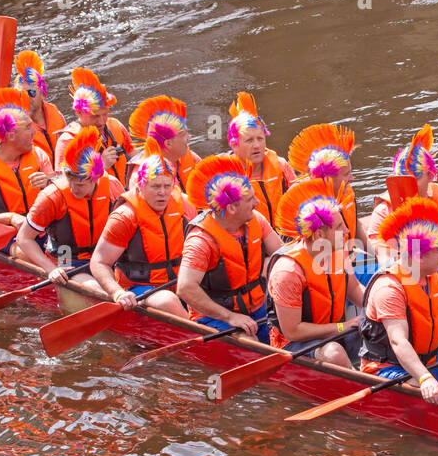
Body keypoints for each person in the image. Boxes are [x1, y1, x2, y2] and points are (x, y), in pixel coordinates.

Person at [365, 125, 438, 321]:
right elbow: (386, 262)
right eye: (403, 177)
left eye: (416, 177)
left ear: (431, 175)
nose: (408, 183)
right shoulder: (384, 211)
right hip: (411, 297)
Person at [359, 196, 438, 402]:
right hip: (388, 369)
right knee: (418, 385)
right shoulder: (389, 288)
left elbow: (436, 318)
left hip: (428, 358)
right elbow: (398, 341)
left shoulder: (430, 276)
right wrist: (424, 377)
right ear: (420, 256)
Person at [178, 154, 284, 343]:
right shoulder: (201, 240)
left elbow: (282, 257)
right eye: (251, 199)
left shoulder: (257, 220)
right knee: (251, 344)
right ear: (233, 208)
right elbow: (185, 288)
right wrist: (230, 317)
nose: (257, 203)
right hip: (216, 318)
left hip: (258, 308)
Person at [267, 179, 365, 367]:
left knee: (386, 329)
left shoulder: (337, 252)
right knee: (334, 353)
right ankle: (362, 383)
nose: (346, 230)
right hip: (295, 343)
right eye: (339, 227)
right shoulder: (288, 271)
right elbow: (292, 331)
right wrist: (340, 327)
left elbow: (354, 289)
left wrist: (380, 307)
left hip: (335, 330)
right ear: (319, 235)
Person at [14, 127, 120, 297]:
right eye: (69, 179)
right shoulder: (52, 196)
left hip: (103, 256)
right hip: (67, 258)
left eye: (79, 184)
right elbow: (23, 238)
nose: (72, 188)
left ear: (96, 178)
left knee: (119, 286)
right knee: (97, 290)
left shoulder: (112, 186)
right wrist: (51, 270)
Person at [89, 152, 192, 317]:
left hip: (179, 282)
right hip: (140, 288)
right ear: (141, 186)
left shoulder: (184, 205)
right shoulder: (125, 216)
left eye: (167, 186)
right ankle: (203, 336)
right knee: (167, 300)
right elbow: (99, 262)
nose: (162, 193)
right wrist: (118, 293)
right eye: (155, 186)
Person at [0, 88, 52, 258]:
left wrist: (50, 182)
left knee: (68, 250)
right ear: (11, 135)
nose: (34, 131)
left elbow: (61, 191)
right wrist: (11, 218)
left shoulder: (38, 155)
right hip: (9, 235)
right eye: (28, 127)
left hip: (43, 228)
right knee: (30, 255)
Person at [227, 91, 296, 225]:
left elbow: (299, 197)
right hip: (250, 239)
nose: (257, 145)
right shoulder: (225, 176)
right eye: (249, 141)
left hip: (284, 234)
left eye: (260, 139)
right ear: (234, 145)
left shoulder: (281, 165)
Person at [55, 68, 133, 185]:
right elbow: (62, 184)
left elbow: (134, 155)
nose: (101, 122)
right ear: (79, 112)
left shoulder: (115, 125)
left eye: (105, 114)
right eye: (95, 116)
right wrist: (101, 166)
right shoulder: (67, 141)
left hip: (122, 195)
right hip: (95, 201)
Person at [127, 95, 200, 195]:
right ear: (168, 143)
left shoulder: (187, 155)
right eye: (184, 135)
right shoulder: (141, 176)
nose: (189, 137)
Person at [14, 50, 66, 165]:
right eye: (22, 94)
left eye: (31, 92)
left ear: (42, 93)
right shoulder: (15, 127)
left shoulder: (56, 113)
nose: (27, 98)